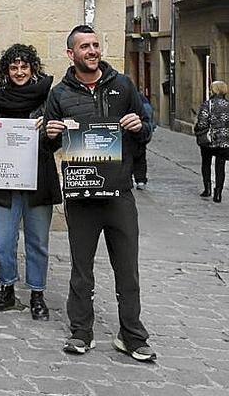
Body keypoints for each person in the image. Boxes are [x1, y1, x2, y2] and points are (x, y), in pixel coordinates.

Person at [43, 25, 156, 362]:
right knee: (82, 269)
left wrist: (141, 127)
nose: (92, 51)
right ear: (71, 54)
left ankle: (132, 336)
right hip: (81, 198)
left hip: (119, 193)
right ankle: (81, 331)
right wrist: (50, 134)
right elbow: (47, 144)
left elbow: (146, 131)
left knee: (127, 268)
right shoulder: (59, 94)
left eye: (95, 45)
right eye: (84, 47)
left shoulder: (122, 85)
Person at [0, 44, 60, 319]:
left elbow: (59, 141)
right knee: (3, 240)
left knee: (37, 241)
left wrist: (48, 129)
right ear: (6, 71)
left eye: (25, 67)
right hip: (4, 180)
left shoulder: (50, 99)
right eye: (14, 67)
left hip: (39, 179)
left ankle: (37, 294)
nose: (20, 72)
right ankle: (7, 288)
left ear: (33, 69)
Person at [194, 81, 229, 203]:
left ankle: (207, 189)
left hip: (208, 140)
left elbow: (202, 123)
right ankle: (218, 193)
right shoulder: (227, 105)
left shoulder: (207, 105)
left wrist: (197, 129)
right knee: (221, 166)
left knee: (206, 164)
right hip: (224, 141)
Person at [132, 92, 155, 190]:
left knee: (132, 157)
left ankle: (134, 179)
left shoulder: (137, 105)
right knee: (141, 157)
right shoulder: (147, 105)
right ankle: (141, 180)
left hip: (136, 134)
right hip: (145, 135)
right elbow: (151, 122)